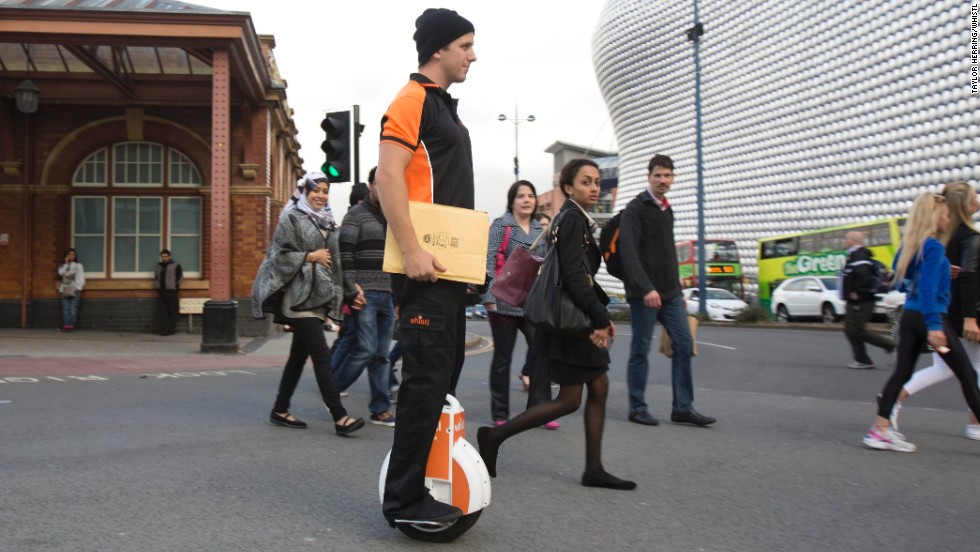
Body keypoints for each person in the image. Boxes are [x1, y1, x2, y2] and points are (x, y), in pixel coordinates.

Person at [476, 158, 636, 490]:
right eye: (586, 182)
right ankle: (495, 436)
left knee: (584, 393)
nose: (594, 188)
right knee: (570, 399)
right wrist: (600, 318)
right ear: (568, 187)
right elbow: (577, 278)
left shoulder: (569, 219)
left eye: (596, 182)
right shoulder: (573, 220)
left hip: (570, 318)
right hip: (572, 320)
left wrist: (598, 314)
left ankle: (592, 467)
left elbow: (579, 276)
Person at [377, 8, 477, 527]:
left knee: (441, 375)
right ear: (438, 49)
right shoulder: (412, 98)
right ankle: (403, 501)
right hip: (424, 270)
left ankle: (419, 482)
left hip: (450, 272)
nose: (473, 56)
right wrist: (413, 249)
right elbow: (387, 177)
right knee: (423, 379)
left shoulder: (443, 107)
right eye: (465, 45)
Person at [863, 191, 980, 452]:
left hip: (910, 316)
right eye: (946, 214)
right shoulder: (935, 247)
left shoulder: (911, 246)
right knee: (968, 374)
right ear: (934, 216)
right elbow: (927, 289)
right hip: (931, 317)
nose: (949, 219)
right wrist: (935, 326)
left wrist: (942, 271)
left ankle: (879, 430)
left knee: (902, 373)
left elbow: (904, 280)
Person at [252, 171, 365, 436]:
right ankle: (340, 417)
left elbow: (335, 263)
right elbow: (277, 255)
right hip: (298, 298)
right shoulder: (292, 217)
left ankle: (279, 410)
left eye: (325, 192)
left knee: (297, 358)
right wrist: (309, 256)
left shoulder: (327, 222)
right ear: (306, 192)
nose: (321, 196)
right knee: (322, 356)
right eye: (316, 190)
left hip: (317, 298)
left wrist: (349, 292)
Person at [618, 154, 715, 427]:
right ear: (648, 176)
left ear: (673, 178)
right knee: (640, 349)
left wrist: (678, 289)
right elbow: (629, 253)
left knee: (684, 343)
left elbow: (668, 254)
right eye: (658, 175)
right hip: (644, 294)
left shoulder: (666, 209)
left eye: (668, 175)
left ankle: (683, 407)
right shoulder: (635, 209)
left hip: (670, 294)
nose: (663, 180)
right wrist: (646, 287)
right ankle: (637, 407)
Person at [482, 180, 555, 427]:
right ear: (512, 201)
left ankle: (541, 411)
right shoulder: (500, 226)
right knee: (503, 358)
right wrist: (489, 297)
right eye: (521, 196)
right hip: (502, 303)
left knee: (542, 354)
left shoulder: (540, 229)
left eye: (531, 196)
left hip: (532, 303)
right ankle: (500, 414)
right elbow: (489, 261)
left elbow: (546, 265)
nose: (527, 200)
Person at [333, 166, 397, 427]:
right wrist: (350, 289)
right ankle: (332, 392)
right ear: (370, 185)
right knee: (366, 349)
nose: (383, 189)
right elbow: (344, 256)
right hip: (364, 293)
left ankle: (380, 409)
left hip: (388, 294)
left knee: (382, 355)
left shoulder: (395, 216)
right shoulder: (355, 216)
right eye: (378, 184)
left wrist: (399, 299)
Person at [842, 231, 896, 369]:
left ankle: (891, 346)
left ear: (854, 240)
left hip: (861, 300)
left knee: (857, 330)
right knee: (850, 330)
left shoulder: (859, 255)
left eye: (846, 238)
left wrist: (856, 292)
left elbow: (863, 275)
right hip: (856, 300)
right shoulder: (855, 255)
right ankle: (862, 360)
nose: (844, 241)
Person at [154, 250, 182, 336]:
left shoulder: (176, 265)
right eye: (163, 257)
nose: (164, 258)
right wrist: (157, 287)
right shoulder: (158, 266)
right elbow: (156, 277)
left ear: (169, 256)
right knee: (163, 312)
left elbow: (179, 277)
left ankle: (171, 330)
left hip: (171, 292)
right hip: (161, 292)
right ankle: (164, 330)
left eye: (166, 257)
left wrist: (175, 287)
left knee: (172, 312)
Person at [57, 248, 85, 332]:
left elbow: (81, 277)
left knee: (72, 308)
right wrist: (66, 264)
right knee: (65, 308)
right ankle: (66, 324)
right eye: (69, 254)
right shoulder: (63, 265)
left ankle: (71, 324)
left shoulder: (78, 266)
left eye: (73, 254)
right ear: (66, 255)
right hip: (64, 289)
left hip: (74, 289)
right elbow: (61, 273)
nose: (71, 256)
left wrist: (78, 288)